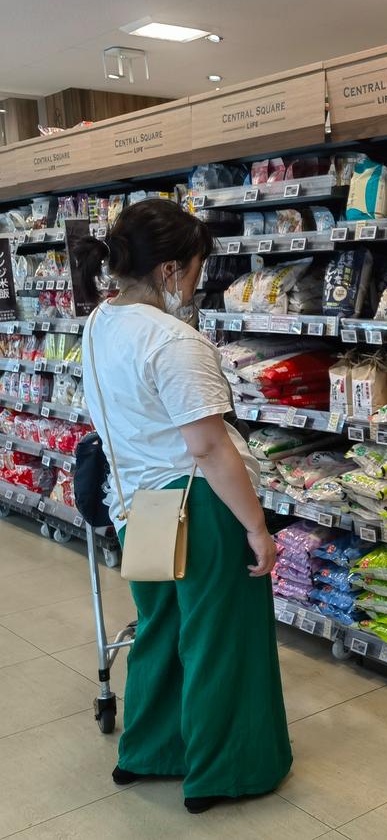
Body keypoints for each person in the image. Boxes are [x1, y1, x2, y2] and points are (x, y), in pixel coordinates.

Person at [74, 200, 291, 814]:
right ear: (170, 269)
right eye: (197, 267)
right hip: (198, 505)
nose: (199, 281)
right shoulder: (173, 340)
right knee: (221, 636)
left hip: (137, 502)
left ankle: (151, 751)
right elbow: (209, 448)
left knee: (161, 629)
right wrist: (257, 527)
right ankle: (224, 770)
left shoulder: (100, 322)